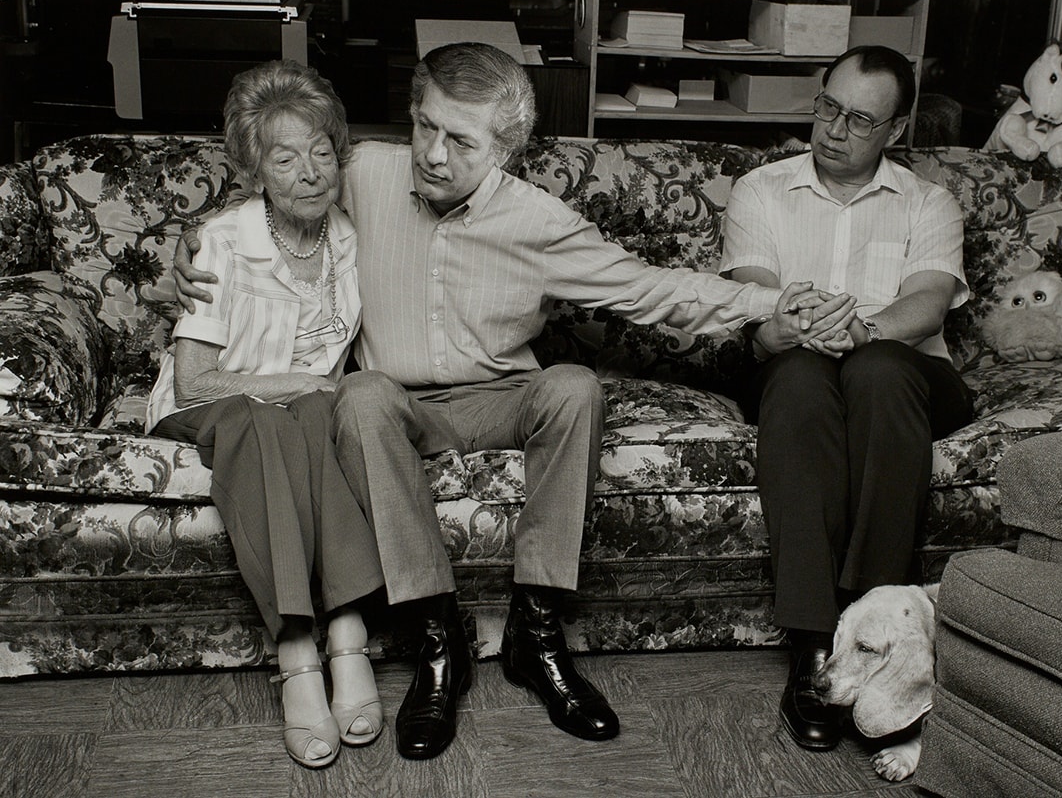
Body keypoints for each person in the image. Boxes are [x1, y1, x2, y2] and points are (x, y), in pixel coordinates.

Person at [174, 42, 817, 760]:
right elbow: (278, 183)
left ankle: (535, 633)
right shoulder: (366, 172)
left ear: (506, 150)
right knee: (358, 396)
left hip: (503, 397)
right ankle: (437, 638)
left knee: (573, 385)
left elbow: (654, 289)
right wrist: (196, 245)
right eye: (424, 126)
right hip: (399, 404)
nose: (433, 155)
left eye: (461, 140)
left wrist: (772, 302)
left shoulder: (540, 221)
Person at [719, 45, 975, 752]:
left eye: (860, 119)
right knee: (801, 377)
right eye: (828, 107)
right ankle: (815, 647)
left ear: (895, 131)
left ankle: (876, 630)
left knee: (879, 370)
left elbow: (925, 301)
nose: (834, 129)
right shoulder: (761, 190)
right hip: (796, 364)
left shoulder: (929, 201)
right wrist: (790, 325)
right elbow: (755, 289)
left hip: (907, 376)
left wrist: (867, 329)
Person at [147, 60, 385, 769]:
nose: (310, 172)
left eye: (321, 153)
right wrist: (304, 381)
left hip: (296, 415)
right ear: (255, 171)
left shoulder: (347, 237)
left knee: (310, 418)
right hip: (212, 410)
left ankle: (347, 636)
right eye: (286, 158)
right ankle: (297, 653)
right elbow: (193, 384)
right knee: (272, 413)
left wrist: (314, 390)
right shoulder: (221, 243)